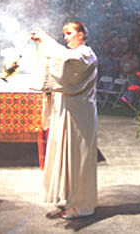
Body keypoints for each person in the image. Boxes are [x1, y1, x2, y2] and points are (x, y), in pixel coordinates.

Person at [30, 21, 98, 220]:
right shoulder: (75, 54)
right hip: (67, 112)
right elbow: (61, 61)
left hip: (79, 116)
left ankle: (83, 204)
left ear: (81, 35)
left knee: (79, 157)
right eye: (64, 34)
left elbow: (67, 63)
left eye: (69, 33)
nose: (66, 37)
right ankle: (70, 198)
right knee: (68, 155)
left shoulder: (86, 55)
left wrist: (46, 40)